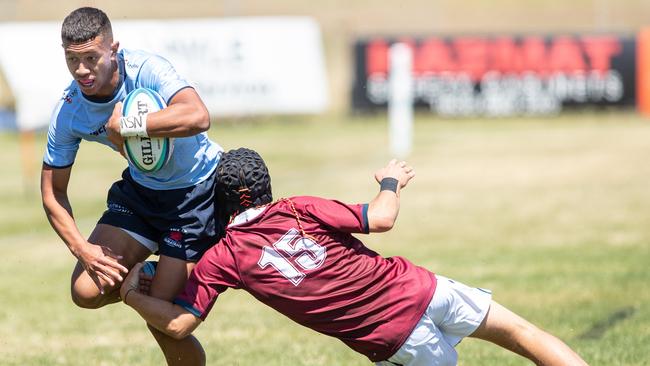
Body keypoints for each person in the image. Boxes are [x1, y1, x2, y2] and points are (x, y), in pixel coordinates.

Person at [120, 148, 589, 366]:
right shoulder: (297, 207)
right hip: (421, 287)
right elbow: (382, 219)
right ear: (266, 188)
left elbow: (180, 325)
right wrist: (390, 180)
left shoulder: (225, 258)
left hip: (393, 338)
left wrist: (132, 295)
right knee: (527, 335)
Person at [40, 7, 222, 365]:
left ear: (114, 49)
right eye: (72, 59)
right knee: (86, 291)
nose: (82, 70)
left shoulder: (146, 69)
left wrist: (132, 126)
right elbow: (52, 192)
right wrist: (82, 249)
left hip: (196, 193)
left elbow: (199, 116)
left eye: (91, 57)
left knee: (161, 310)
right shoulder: (69, 110)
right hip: (141, 193)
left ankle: (152, 283)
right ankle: (146, 281)